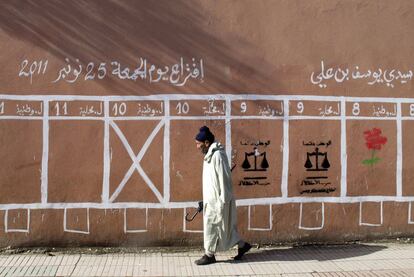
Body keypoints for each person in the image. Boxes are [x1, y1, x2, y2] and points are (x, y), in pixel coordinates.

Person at [194, 126, 251, 266]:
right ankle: (242, 245)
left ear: (207, 143)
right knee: (225, 229)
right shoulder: (209, 156)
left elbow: (225, 180)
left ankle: (209, 255)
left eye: (198, 144)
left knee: (212, 226)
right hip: (211, 200)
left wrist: (223, 201)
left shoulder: (218, 156)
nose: (197, 147)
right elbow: (211, 182)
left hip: (219, 201)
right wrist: (204, 200)